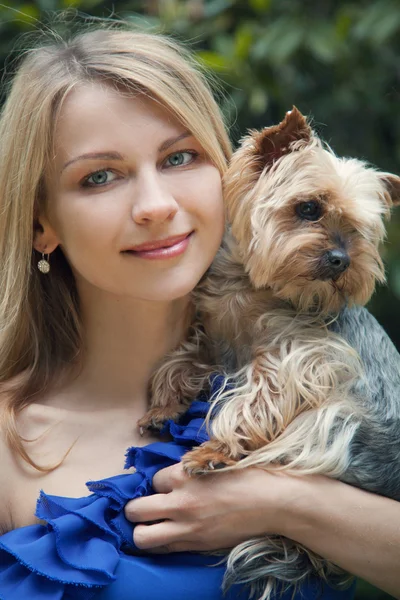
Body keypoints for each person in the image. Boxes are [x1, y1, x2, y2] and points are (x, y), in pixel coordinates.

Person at [0, 20, 398, 600]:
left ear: (228, 174)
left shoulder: (332, 372)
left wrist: (286, 504)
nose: (156, 205)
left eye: (180, 158)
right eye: (100, 177)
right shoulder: (8, 438)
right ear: (42, 223)